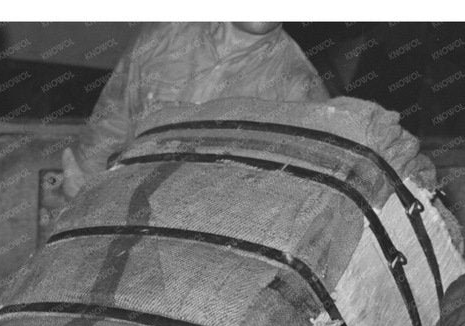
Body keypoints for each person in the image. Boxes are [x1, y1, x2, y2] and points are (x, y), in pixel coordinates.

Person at [62, 22, 328, 199]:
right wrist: (80, 194)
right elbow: (108, 131)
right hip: (124, 226)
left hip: (209, 254)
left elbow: (304, 198)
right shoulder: (162, 37)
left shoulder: (300, 87)